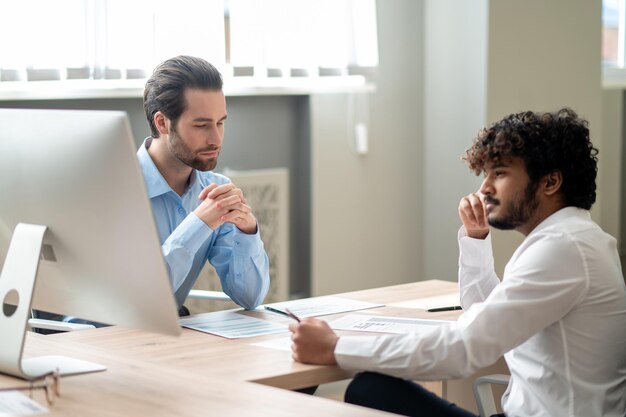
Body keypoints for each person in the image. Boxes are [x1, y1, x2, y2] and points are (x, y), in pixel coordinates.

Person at [288, 108, 626, 417]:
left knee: (370, 390)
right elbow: (485, 313)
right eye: (486, 174)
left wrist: (336, 348)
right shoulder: (571, 239)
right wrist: (476, 239)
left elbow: (465, 348)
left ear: (551, 182)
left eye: (500, 173)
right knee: (373, 388)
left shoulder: (563, 247)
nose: (484, 188)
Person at [140, 55, 270, 313]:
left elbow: (250, 298)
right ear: (162, 122)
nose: (216, 139)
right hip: (98, 339)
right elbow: (141, 301)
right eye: (201, 125)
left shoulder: (215, 191)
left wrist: (247, 232)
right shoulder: (118, 191)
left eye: (220, 123)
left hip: (162, 342)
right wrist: (198, 224)